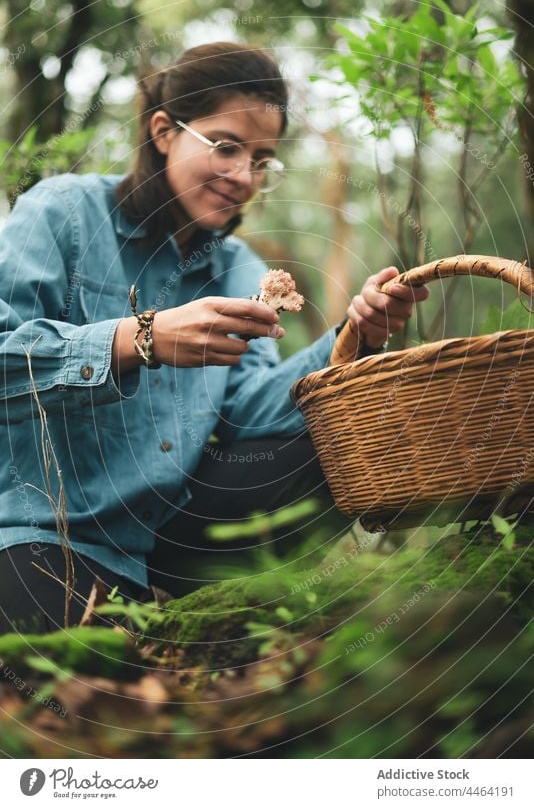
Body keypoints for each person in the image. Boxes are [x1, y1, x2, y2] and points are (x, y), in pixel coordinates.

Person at [0, 42, 429, 634]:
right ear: (162, 131)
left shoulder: (240, 268)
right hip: (51, 527)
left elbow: (252, 407)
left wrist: (355, 336)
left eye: (261, 159)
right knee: (83, 683)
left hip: (180, 528)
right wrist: (139, 338)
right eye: (225, 146)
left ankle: (211, 602)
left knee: (334, 439)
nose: (242, 176)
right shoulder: (63, 214)